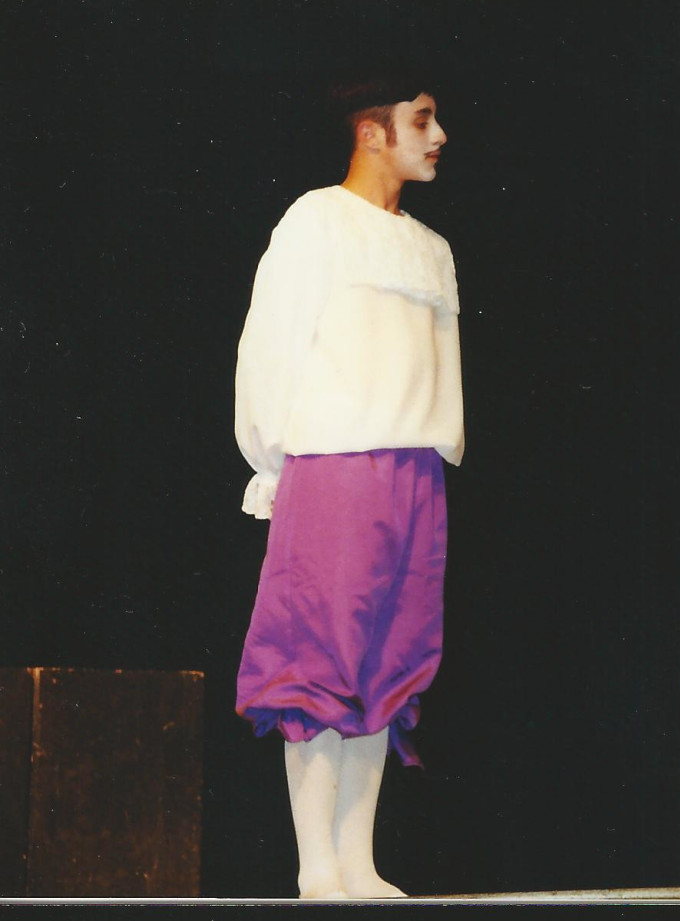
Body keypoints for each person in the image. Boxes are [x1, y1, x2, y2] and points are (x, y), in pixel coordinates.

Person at [233, 74, 462, 899]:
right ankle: (315, 865)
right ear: (372, 131)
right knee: (319, 655)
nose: (438, 135)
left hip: (415, 464)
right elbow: (271, 344)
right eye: (421, 120)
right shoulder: (316, 220)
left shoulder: (432, 247)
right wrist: (272, 460)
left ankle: (357, 859)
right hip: (333, 460)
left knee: (391, 658)